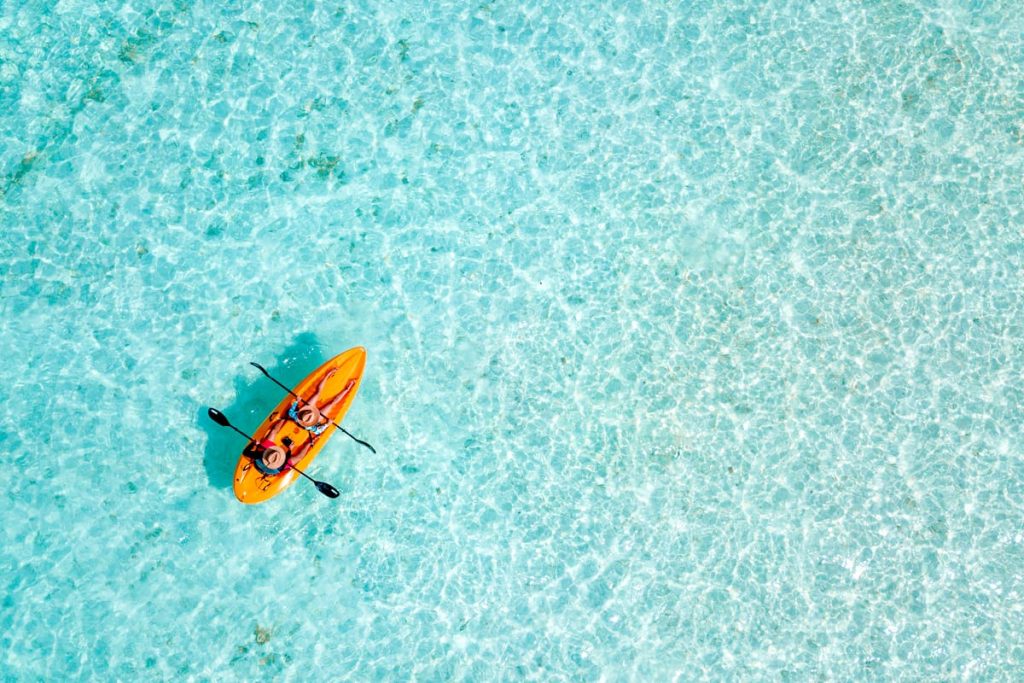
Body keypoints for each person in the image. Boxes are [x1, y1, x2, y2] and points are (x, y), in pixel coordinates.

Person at [284, 369, 357, 435]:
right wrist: (327, 424)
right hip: (317, 419)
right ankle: (347, 389)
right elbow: (318, 432)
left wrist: (297, 401)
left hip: (306, 410)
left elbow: (290, 412)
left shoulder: (296, 416)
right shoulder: (309, 427)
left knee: (317, 393)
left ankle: (328, 375)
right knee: (332, 403)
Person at [244, 420, 313, 476]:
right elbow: (286, 459)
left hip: (262, 461)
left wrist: (254, 444)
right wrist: (290, 450)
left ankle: (284, 419)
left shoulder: (258, 456)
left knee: (273, 432)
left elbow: (245, 452)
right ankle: (310, 443)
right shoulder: (280, 466)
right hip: (271, 469)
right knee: (299, 457)